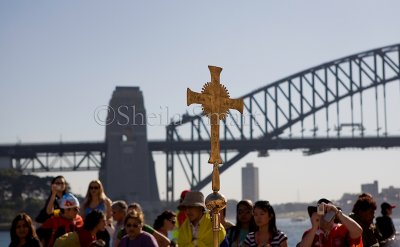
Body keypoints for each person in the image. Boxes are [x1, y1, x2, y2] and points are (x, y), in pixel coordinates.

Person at [81, 180, 113, 247]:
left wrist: (103, 223)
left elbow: (110, 217)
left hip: (103, 231)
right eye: (91, 187)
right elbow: (82, 218)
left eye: (96, 187)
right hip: (90, 232)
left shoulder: (106, 202)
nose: (93, 189)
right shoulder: (85, 203)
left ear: (100, 188)